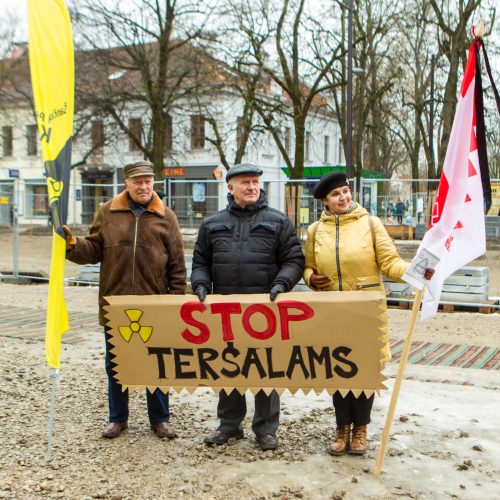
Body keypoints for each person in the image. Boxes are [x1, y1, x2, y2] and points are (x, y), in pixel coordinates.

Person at [303, 172, 434, 456]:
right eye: (336, 194)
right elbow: (309, 266)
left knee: (363, 370)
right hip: (332, 309)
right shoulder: (315, 231)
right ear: (325, 200)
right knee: (338, 370)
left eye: (346, 192)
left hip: (366, 308)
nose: (344, 198)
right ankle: (342, 428)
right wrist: (312, 278)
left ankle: (361, 429)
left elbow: (390, 263)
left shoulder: (371, 224)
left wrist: (414, 272)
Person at [63, 160, 187, 439]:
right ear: (126, 184)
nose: (143, 187)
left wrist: (176, 303)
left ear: (153, 183)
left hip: (153, 305)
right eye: (137, 182)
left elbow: (177, 266)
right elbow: (94, 249)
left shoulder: (166, 216)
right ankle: (117, 419)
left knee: (156, 362)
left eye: (147, 182)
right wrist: (73, 246)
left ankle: (160, 419)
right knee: (116, 363)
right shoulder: (108, 212)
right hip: (116, 303)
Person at [191, 163, 304, 451]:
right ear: (230, 187)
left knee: (266, 369)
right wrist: (200, 285)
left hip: (264, 311)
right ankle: (229, 426)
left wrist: (281, 283)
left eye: (255, 182)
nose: (252, 187)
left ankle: (266, 429)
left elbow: (294, 261)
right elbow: (201, 263)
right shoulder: (212, 224)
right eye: (245, 182)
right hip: (225, 311)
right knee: (229, 368)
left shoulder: (278, 221)